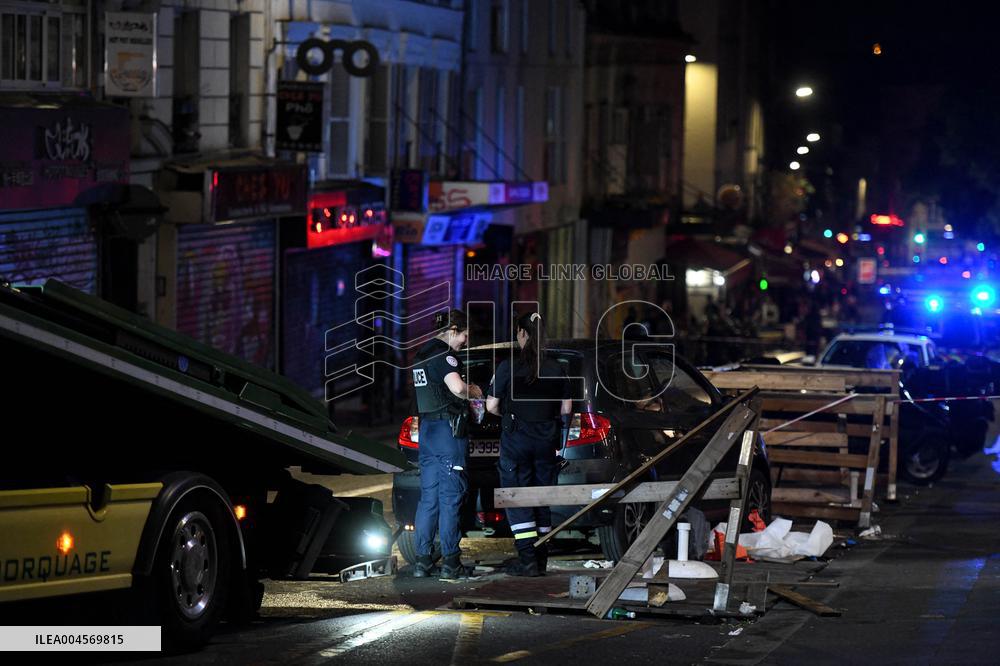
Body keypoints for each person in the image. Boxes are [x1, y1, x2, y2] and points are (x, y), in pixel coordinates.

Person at [486, 312, 572, 576]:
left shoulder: (507, 367)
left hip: (516, 442)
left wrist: (510, 417)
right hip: (547, 442)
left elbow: (491, 405)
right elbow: (566, 408)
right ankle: (541, 558)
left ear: (522, 334)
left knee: (518, 498)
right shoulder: (557, 368)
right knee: (541, 498)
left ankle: (527, 561)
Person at [411, 308, 482, 579]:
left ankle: (422, 560)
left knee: (428, 498)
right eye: (464, 335)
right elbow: (456, 388)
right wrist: (472, 390)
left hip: (427, 432)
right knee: (451, 497)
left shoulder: (421, 355)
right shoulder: (445, 355)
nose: (465, 341)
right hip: (447, 433)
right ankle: (452, 561)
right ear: (453, 331)